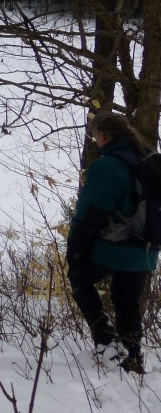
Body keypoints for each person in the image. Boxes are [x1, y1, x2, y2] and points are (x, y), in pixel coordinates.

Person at [67, 111, 158, 374]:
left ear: (104, 135)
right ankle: (132, 357)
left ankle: (105, 341)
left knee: (79, 276)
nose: (96, 142)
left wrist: (75, 251)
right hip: (147, 251)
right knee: (126, 301)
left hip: (113, 248)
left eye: (95, 137)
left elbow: (89, 214)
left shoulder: (109, 166)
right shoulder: (148, 158)